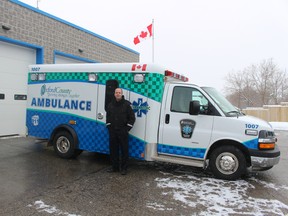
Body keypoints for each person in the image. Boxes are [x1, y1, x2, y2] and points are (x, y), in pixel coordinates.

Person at [106, 88, 136, 175]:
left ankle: (124, 169)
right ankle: (114, 167)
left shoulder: (127, 104)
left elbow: (132, 118)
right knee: (113, 150)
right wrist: (109, 127)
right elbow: (108, 118)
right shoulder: (110, 105)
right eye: (116, 92)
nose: (118, 94)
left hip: (123, 132)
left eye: (119, 92)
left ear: (122, 94)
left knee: (124, 150)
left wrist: (126, 129)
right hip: (113, 132)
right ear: (114, 94)